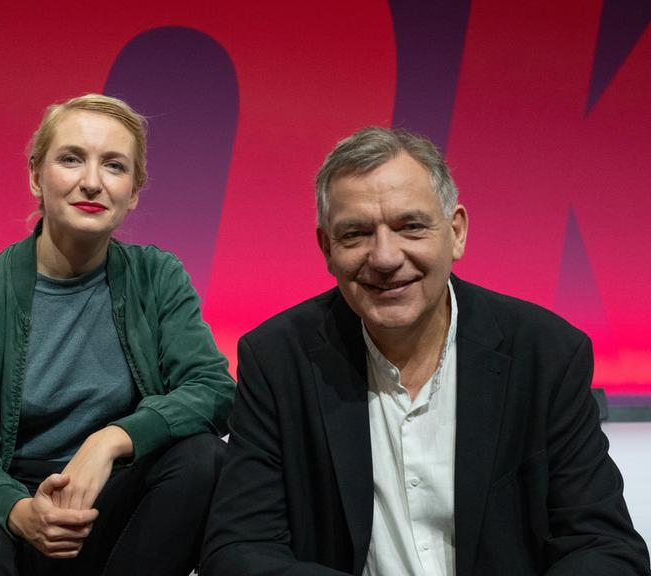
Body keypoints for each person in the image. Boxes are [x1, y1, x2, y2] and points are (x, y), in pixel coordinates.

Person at [201, 127, 651, 575]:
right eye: (356, 234)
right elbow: (239, 551)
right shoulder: (277, 360)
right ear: (327, 249)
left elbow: (604, 547)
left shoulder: (547, 353)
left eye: (409, 226)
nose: (384, 257)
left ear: (455, 232)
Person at [0, 93, 236, 576]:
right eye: (71, 159)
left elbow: (213, 390)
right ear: (37, 175)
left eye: (114, 166)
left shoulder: (158, 277)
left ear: (134, 191)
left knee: (205, 459)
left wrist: (110, 440)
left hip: (111, 490)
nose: (91, 182)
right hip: (6, 496)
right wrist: (21, 511)